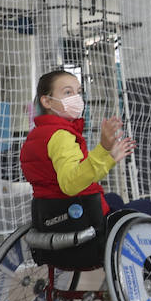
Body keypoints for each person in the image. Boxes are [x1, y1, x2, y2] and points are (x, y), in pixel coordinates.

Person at [20, 70, 135, 242]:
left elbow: (82, 174)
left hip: (49, 214)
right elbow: (71, 183)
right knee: (146, 208)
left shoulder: (38, 134)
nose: (76, 98)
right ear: (47, 101)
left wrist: (109, 157)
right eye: (68, 92)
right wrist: (103, 148)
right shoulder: (61, 136)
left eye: (79, 92)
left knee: (114, 199)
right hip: (78, 218)